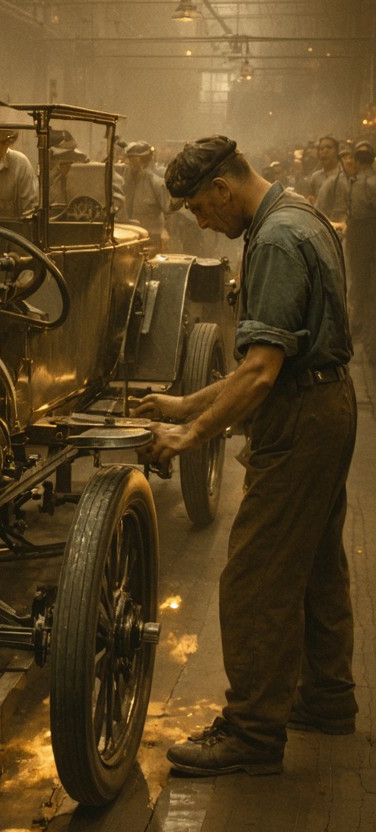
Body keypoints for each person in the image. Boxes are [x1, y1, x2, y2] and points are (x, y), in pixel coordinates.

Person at [134, 135, 357, 777]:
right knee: (314, 558)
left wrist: (191, 434)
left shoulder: (277, 241)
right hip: (325, 403)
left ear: (224, 191)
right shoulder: (299, 212)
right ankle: (326, 698)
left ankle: (253, 732)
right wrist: (185, 404)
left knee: (254, 574)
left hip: (301, 415)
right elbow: (265, 362)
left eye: (201, 210)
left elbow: (262, 372)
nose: (203, 223)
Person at [344, 140, 376, 354]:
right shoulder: (361, 182)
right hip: (360, 233)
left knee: (362, 283)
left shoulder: (364, 183)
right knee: (362, 283)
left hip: (365, 234)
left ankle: (364, 331)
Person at [119, 140, 174, 252]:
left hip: (151, 238)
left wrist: (165, 230)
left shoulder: (156, 183)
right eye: (129, 159)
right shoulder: (123, 183)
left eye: (134, 160)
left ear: (144, 161)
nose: (130, 163)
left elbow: (169, 210)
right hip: (128, 237)